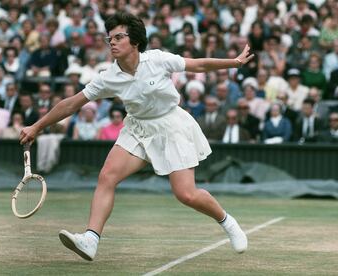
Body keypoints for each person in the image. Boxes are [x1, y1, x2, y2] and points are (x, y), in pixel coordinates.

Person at [19, 12, 254, 261]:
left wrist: (235, 62)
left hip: (171, 126)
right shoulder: (108, 77)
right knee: (107, 176)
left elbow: (199, 64)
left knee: (186, 194)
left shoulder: (158, 60)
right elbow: (71, 104)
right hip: (138, 128)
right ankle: (91, 239)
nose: (112, 42)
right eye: (109, 38)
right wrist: (36, 126)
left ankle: (228, 222)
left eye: (119, 37)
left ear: (135, 41)